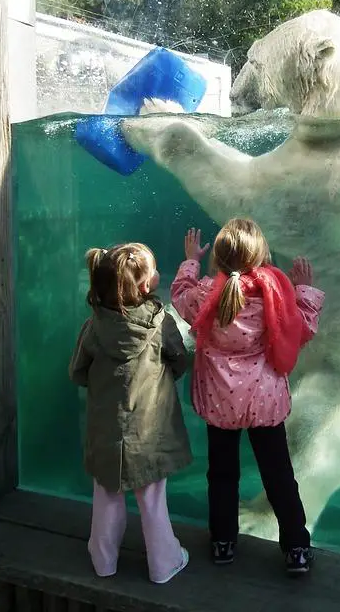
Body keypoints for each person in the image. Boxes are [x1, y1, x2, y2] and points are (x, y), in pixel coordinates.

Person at [170, 219, 325, 576]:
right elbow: (302, 330)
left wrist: (191, 260)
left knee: (222, 475)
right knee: (279, 476)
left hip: (220, 403)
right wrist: (303, 288)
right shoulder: (276, 296)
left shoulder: (206, 294)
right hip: (265, 403)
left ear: (218, 260)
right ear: (262, 255)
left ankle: (223, 542)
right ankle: (297, 548)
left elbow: (180, 295)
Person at [69, 242, 192, 584]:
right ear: (145, 286)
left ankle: (103, 560)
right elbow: (179, 360)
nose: (157, 274)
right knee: (152, 499)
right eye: (154, 270)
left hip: (106, 430)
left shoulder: (95, 327)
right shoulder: (160, 322)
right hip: (149, 433)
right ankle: (164, 564)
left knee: (106, 493)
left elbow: (77, 371)